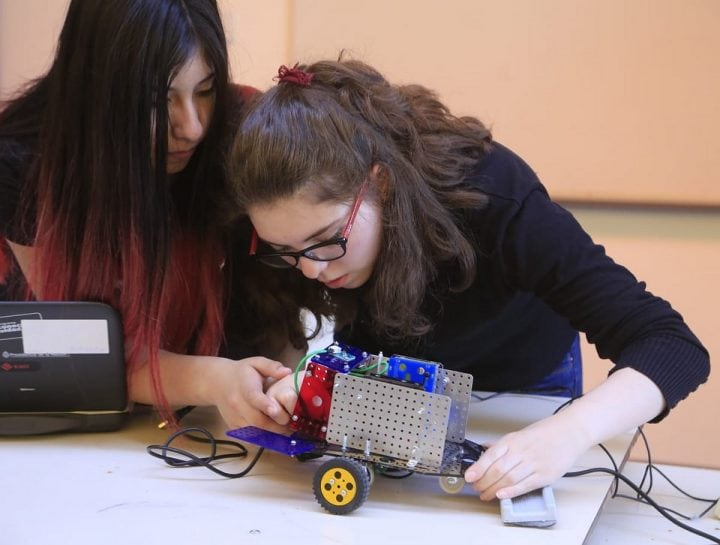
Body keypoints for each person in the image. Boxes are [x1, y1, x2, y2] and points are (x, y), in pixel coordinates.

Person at [225, 59, 710, 500]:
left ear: (380, 183)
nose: (311, 270)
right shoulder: (293, 233)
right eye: (284, 252)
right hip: (391, 388)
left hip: (525, 389)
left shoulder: (495, 199)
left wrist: (567, 433)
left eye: (326, 240)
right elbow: (292, 345)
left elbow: (670, 344)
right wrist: (298, 389)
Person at [0, 0, 293, 430]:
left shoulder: (240, 132)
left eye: (206, 90)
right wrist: (212, 379)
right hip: (58, 367)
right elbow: (86, 348)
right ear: (98, 89)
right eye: (159, 98)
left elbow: (279, 315)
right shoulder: (23, 162)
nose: (191, 127)